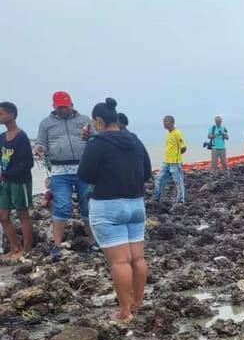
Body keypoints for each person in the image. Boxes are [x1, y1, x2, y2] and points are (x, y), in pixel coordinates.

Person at [77, 98, 152, 322]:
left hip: (107, 206)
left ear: (99, 121)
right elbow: (147, 172)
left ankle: (125, 312)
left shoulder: (96, 143)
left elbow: (85, 175)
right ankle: (137, 303)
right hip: (136, 204)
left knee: (120, 262)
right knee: (137, 258)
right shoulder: (135, 140)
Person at [35, 90, 97, 261]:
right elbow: (41, 143)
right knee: (61, 207)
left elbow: (97, 139)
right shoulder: (46, 123)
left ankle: (93, 241)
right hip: (59, 172)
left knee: (88, 206)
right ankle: (56, 246)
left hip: (84, 169)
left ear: (72, 105)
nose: (63, 110)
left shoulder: (84, 120)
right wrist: (39, 149)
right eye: (60, 107)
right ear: (54, 107)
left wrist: (90, 136)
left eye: (66, 106)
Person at [0, 102, 34, 259]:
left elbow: (28, 163)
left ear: (11, 115)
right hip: (4, 182)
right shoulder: (2, 137)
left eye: (1, 113)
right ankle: (14, 248)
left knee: (22, 214)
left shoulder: (21, 137)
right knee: (3, 216)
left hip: (20, 181)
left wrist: (7, 173)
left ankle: (26, 249)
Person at [154, 115, 186, 204]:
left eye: (166, 121)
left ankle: (180, 200)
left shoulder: (177, 133)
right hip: (166, 162)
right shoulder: (168, 134)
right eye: (164, 121)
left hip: (175, 162)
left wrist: (176, 157)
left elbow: (183, 147)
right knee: (159, 179)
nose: (164, 123)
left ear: (172, 122)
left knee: (178, 181)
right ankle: (156, 198)